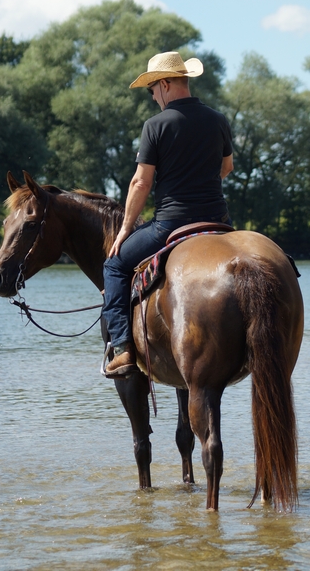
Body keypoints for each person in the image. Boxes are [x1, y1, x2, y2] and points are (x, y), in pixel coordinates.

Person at [102, 51, 234, 378]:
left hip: (171, 224)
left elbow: (141, 181)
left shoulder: (155, 125)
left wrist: (124, 231)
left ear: (164, 85)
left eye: (151, 92)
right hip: (220, 222)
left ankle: (121, 350)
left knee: (115, 265)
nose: (152, 99)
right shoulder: (218, 119)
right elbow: (226, 168)